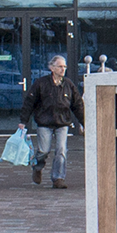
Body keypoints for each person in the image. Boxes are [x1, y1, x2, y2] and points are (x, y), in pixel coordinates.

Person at [21, 54, 83, 188]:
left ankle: (58, 178)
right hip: (45, 121)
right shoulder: (41, 83)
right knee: (44, 150)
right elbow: (29, 102)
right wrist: (23, 120)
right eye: (60, 66)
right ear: (52, 68)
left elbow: (77, 105)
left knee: (61, 150)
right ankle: (37, 167)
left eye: (64, 66)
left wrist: (84, 122)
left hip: (62, 122)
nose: (63, 69)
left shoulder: (68, 85)